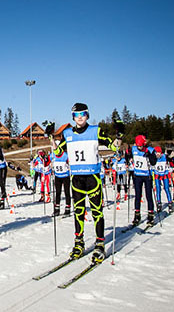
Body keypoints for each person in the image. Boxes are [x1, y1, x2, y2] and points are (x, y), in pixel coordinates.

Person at [49, 103, 121, 263]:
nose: (80, 117)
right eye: (76, 114)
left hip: (92, 177)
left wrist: (119, 136)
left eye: (82, 113)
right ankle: (79, 242)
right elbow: (58, 152)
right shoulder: (67, 133)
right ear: (73, 117)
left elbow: (114, 147)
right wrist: (51, 138)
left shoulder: (95, 131)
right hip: (76, 178)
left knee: (97, 211)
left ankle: (100, 244)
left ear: (87, 115)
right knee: (79, 211)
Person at [130, 135, 158, 227]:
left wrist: (149, 155)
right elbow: (128, 155)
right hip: (137, 176)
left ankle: (150, 216)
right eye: (138, 146)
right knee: (137, 196)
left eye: (141, 146)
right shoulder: (133, 149)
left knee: (148, 196)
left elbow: (154, 162)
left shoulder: (150, 149)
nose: (139, 148)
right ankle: (137, 216)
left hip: (147, 176)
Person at [51, 141, 71, 216]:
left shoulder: (65, 155)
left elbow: (70, 163)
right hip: (57, 176)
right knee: (57, 193)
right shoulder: (53, 155)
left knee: (67, 192)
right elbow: (47, 162)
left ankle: (68, 208)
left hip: (65, 176)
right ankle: (57, 209)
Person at [153, 147, 173, 212]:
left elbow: (172, 165)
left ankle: (170, 203)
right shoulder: (154, 158)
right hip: (157, 175)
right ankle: (159, 203)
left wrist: (170, 159)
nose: (157, 154)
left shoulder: (165, 157)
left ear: (161, 153)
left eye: (158, 153)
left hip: (165, 174)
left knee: (166, 188)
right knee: (158, 189)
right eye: (156, 153)